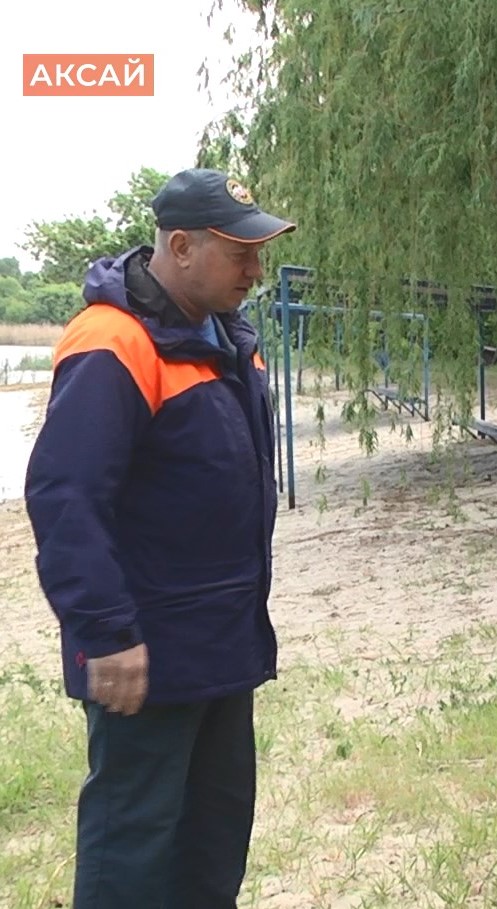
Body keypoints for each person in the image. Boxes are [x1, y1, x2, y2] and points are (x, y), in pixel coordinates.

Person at [25, 168, 294, 907]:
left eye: (260, 249)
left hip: (221, 643)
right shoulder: (112, 341)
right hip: (142, 653)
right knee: (132, 854)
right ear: (180, 246)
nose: (255, 268)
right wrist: (104, 631)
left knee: (211, 848)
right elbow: (64, 493)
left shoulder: (229, 337)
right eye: (239, 250)